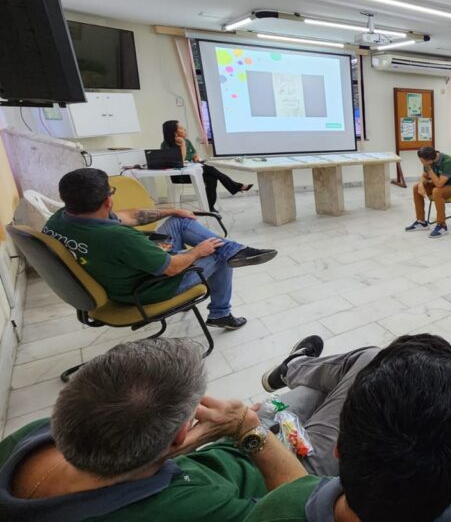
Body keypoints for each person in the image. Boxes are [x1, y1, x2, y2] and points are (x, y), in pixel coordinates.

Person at [245, 333, 451, 522]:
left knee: (362, 366)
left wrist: (248, 430)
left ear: (338, 448)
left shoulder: (278, 508)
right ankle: (444, 434)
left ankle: (296, 367)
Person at [0, 339, 308, 521]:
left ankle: (302, 367)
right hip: (285, 466)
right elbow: (304, 504)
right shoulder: (186, 509)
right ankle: (305, 366)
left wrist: (179, 445)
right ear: (178, 434)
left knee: (311, 393)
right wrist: (248, 430)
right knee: (348, 375)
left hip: (218, 455)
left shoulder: (29, 436)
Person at [42, 168, 276, 329]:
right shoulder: (117, 237)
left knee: (181, 222)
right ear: (107, 202)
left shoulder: (59, 219)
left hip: (117, 271)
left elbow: (129, 216)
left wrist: (172, 211)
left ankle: (234, 250)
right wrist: (197, 251)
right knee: (218, 252)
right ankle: (220, 312)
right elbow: (172, 269)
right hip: (147, 289)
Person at [161, 120, 251, 212]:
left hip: (193, 172)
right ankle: (236, 186)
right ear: (174, 132)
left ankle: (209, 207)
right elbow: (180, 161)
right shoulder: (166, 145)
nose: (184, 129)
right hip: (180, 176)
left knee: (211, 178)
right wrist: (182, 144)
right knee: (211, 170)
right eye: (180, 128)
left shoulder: (187, 141)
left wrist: (196, 158)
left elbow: (194, 155)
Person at [405, 146, 451, 238]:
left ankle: (442, 226)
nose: (422, 162)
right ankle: (421, 222)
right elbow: (425, 176)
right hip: (440, 184)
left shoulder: (448, 162)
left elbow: (439, 184)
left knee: (437, 191)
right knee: (416, 187)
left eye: (422, 160)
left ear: (429, 159)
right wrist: (421, 184)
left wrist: (428, 168)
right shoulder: (428, 161)